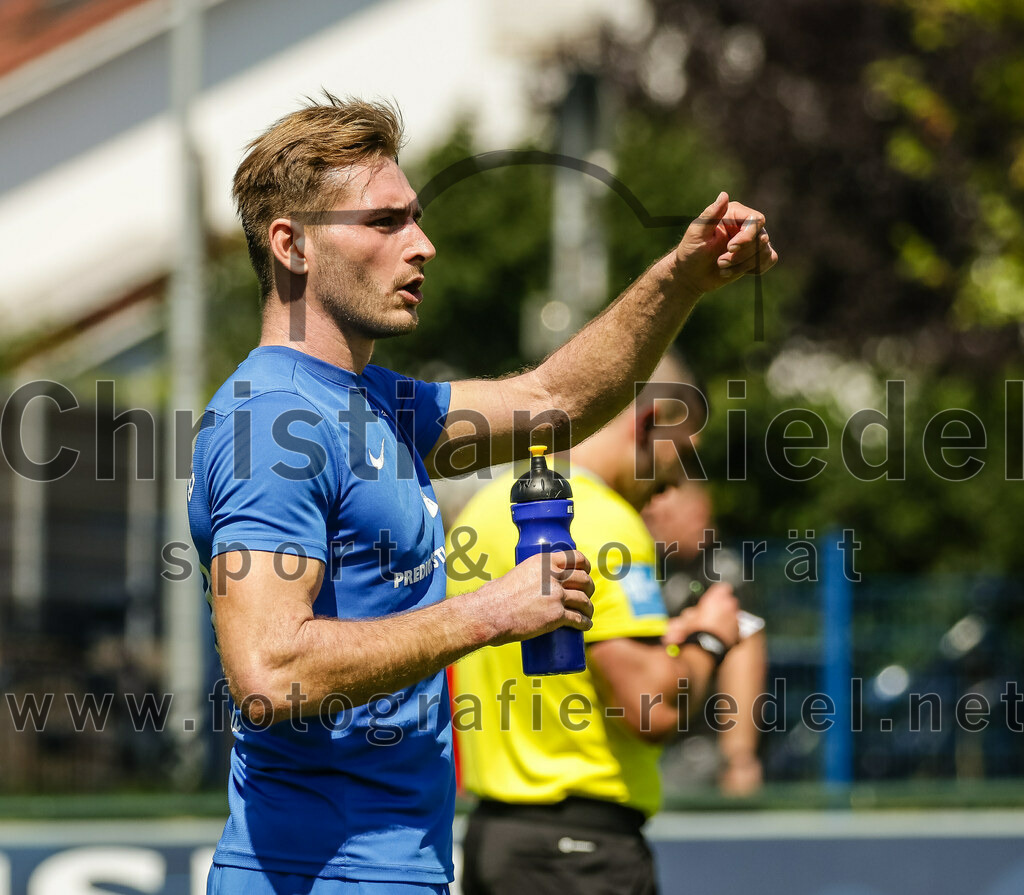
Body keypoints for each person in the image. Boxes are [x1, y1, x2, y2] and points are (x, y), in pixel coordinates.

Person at [186, 93, 777, 894]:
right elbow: (268, 667)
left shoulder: (377, 404)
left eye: (416, 218)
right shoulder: (272, 423)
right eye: (385, 222)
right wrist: (490, 611)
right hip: (315, 873)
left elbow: (557, 400)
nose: (423, 244)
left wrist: (679, 278)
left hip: (398, 866)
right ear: (291, 245)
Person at [447, 354, 742, 895]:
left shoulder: (483, 510)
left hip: (494, 840)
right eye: (679, 455)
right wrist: (708, 639)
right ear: (649, 423)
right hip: (582, 854)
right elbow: (651, 706)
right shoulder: (603, 518)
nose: (671, 488)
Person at [642, 482, 768, 797]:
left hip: (697, 745)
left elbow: (744, 653)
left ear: (697, 514)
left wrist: (739, 756)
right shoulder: (654, 562)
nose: (651, 522)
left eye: (663, 516)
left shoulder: (720, 572)